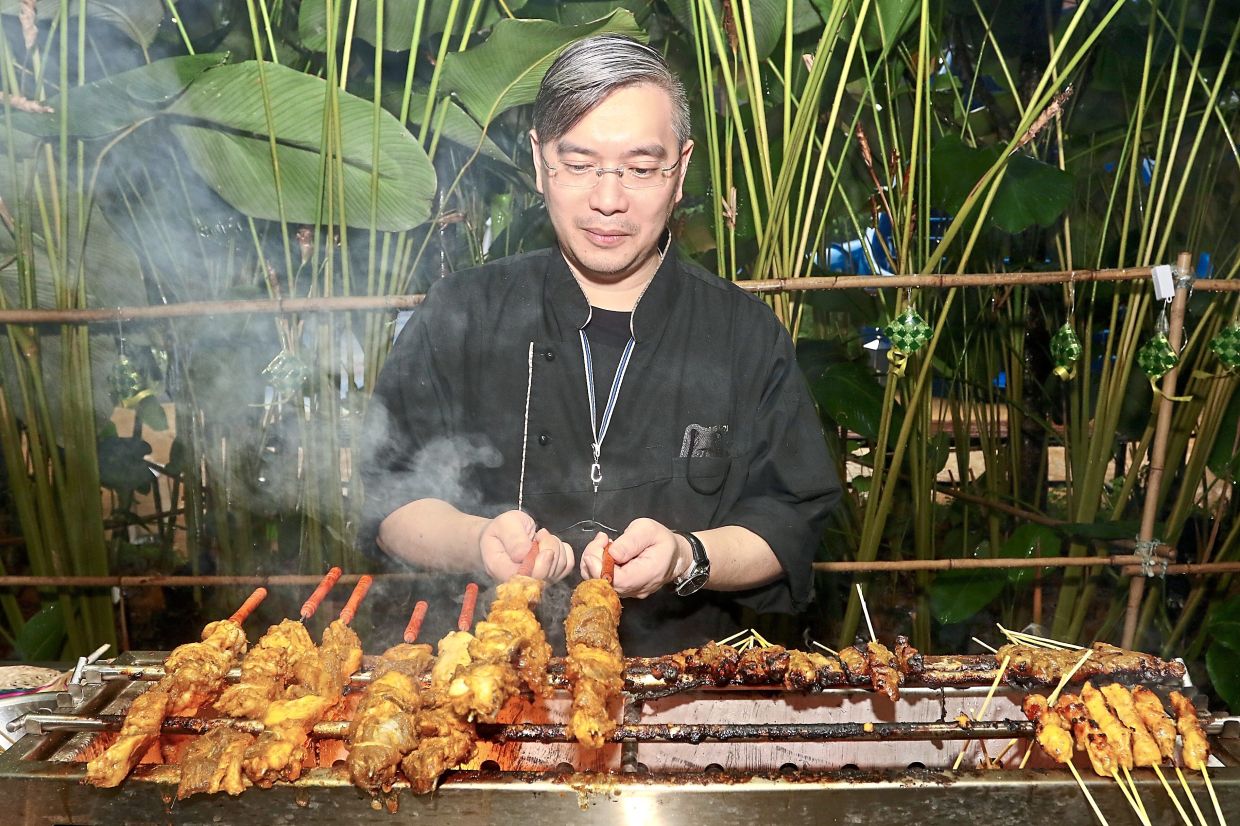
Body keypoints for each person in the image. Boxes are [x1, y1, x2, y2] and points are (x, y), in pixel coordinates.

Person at [359, 34, 840, 655]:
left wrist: (687, 556)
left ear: (681, 168)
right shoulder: (462, 312)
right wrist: (478, 540)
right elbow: (392, 499)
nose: (608, 201)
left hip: (684, 699)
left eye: (640, 169)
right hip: (482, 688)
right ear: (539, 162)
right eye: (579, 164)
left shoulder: (744, 334)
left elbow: (788, 521)